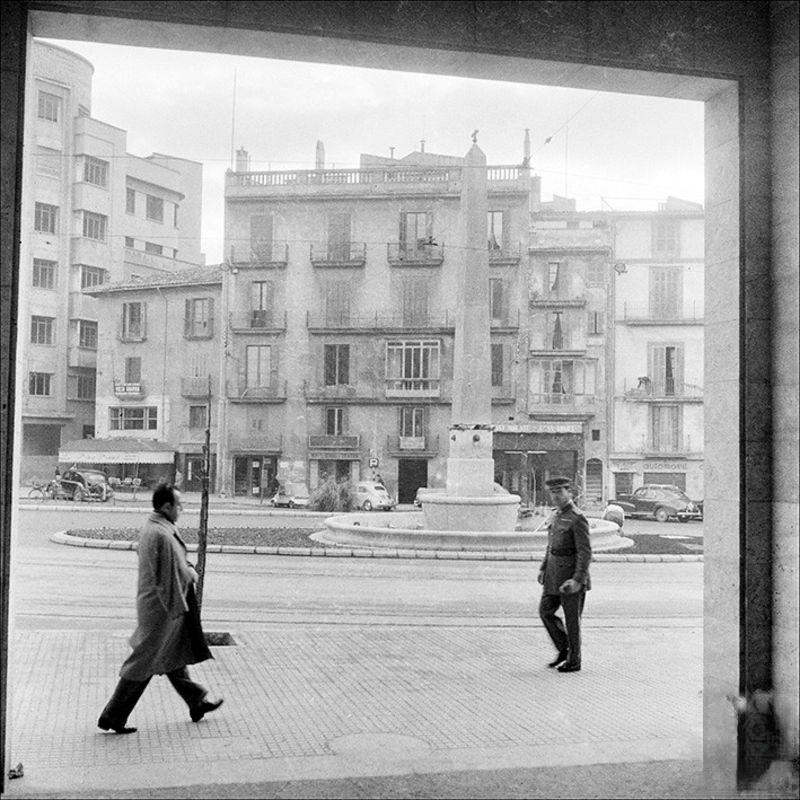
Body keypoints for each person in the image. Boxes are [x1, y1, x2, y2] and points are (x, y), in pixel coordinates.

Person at [97, 485, 223, 734]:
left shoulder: (157, 527)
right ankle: (112, 716)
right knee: (144, 662)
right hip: (163, 608)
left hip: (160, 606)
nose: (182, 510)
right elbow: (169, 576)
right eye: (179, 505)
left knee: (171, 655)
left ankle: (196, 702)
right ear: (167, 507)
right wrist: (190, 575)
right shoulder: (161, 534)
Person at [537, 476, 592, 673]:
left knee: (572, 620)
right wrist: (544, 568)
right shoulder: (556, 515)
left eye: (560, 491)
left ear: (569, 492)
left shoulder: (577, 518)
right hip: (553, 574)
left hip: (570, 577)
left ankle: (574, 660)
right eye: (553, 492)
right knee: (545, 612)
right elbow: (550, 545)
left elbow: (585, 552)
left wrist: (578, 579)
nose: (556, 496)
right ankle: (564, 648)